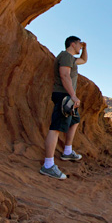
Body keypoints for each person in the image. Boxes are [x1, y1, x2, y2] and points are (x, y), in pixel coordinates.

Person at [39, 36, 87, 179]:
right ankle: (48, 165)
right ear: (73, 44)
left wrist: (85, 48)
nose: (80, 47)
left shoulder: (72, 59)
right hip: (64, 96)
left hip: (68, 98)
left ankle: (67, 151)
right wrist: (72, 95)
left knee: (75, 120)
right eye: (79, 44)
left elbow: (84, 60)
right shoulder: (66, 56)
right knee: (56, 128)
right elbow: (64, 75)